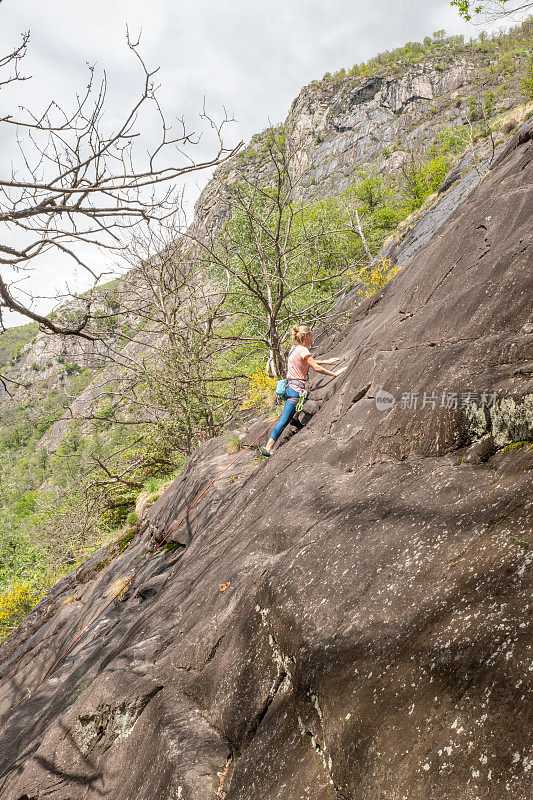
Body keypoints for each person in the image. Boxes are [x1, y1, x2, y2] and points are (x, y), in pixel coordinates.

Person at [260, 324, 346, 456]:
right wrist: (334, 374)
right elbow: (315, 367)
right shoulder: (304, 350)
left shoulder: (295, 349)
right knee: (283, 421)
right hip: (295, 391)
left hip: (289, 388)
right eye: (311, 336)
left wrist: (327, 361)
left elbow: (306, 361)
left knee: (305, 397)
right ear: (306, 336)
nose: (312, 338)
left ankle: (294, 418)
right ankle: (268, 447)